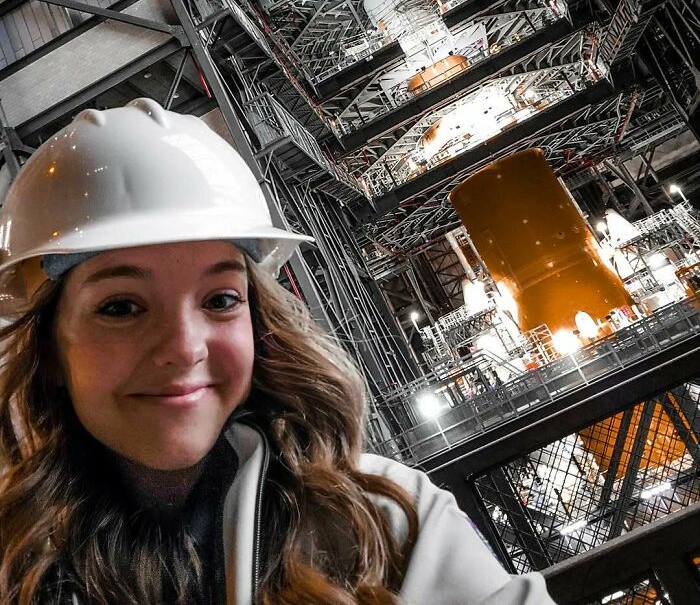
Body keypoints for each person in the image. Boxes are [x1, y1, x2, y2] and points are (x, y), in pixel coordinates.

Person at [0, 99, 556, 605]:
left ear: (257, 320)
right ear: (49, 348)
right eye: (121, 307)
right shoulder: (12, 569)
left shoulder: (384, 522)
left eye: (220, 299)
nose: (184, 348)